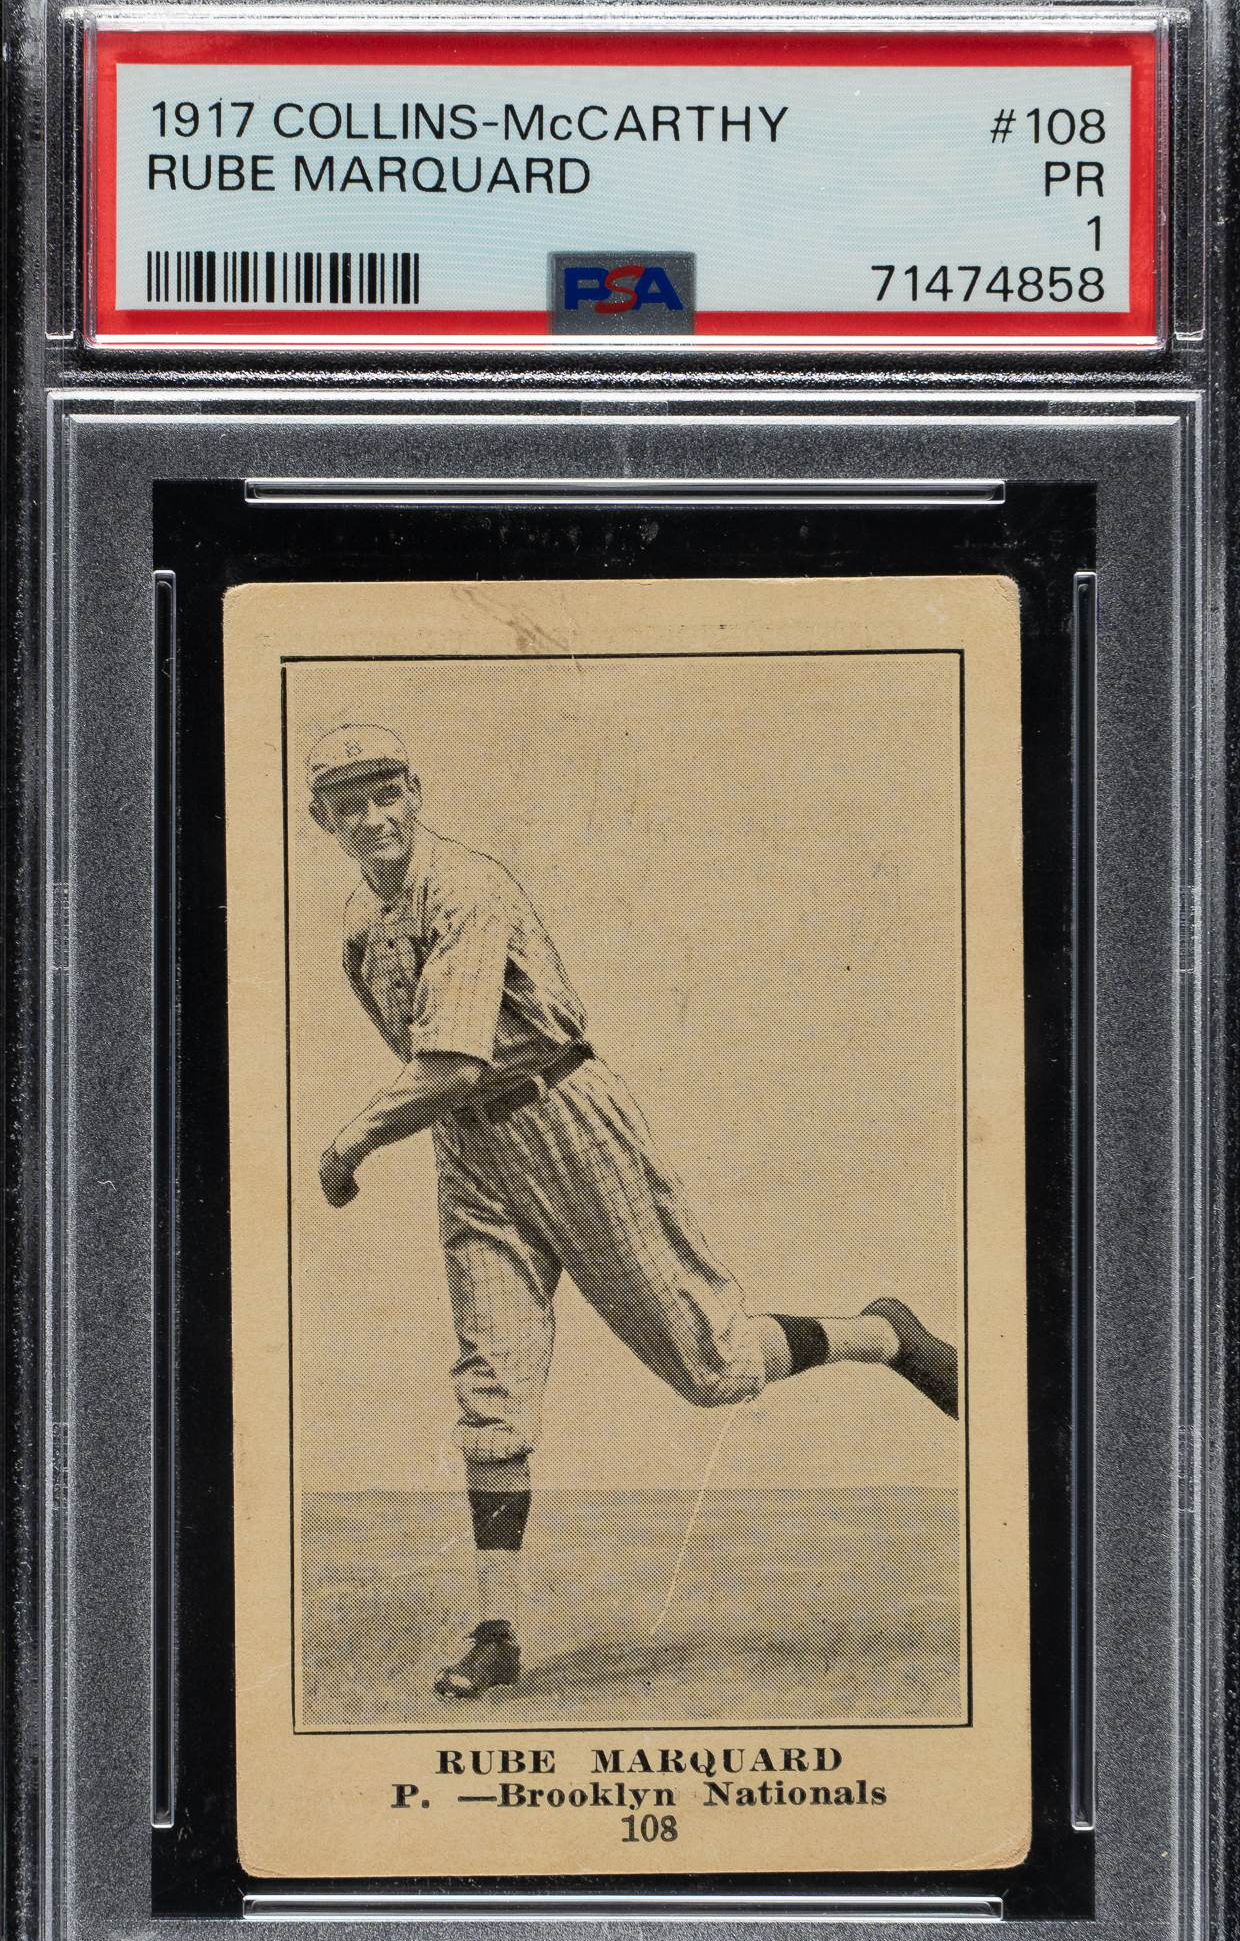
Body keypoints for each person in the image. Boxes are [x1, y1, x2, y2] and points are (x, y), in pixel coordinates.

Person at [309, 724, 958, 1701]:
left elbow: (451, 1061)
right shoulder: (364, 919)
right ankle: (497, 1630)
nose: (372, 817)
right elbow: (432, 1073)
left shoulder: (467, 888)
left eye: (385, 792)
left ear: (416, 790)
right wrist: (410, 1127)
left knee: (713, 1366)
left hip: (566, 1120)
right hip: (470, 1152)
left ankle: (884, 1335)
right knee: (492, 1392)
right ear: (321, 820)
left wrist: (350, 1142)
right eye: (347, 804)